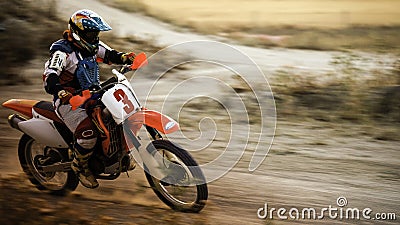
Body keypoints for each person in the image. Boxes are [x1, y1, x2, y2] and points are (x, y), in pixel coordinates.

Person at [43, 9, 136, 188]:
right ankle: (80, 166)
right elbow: (50, 75)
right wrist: (60, 91)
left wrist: (125, 58)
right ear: (78, 33)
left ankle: (119, 153)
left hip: (93, 94)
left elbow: (109, 55)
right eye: (91, 33)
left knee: (117, 115)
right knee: (89, 134)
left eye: (96, 33)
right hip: (68, 101)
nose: (95, 37)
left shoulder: (92, 45)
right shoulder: (62, 52)